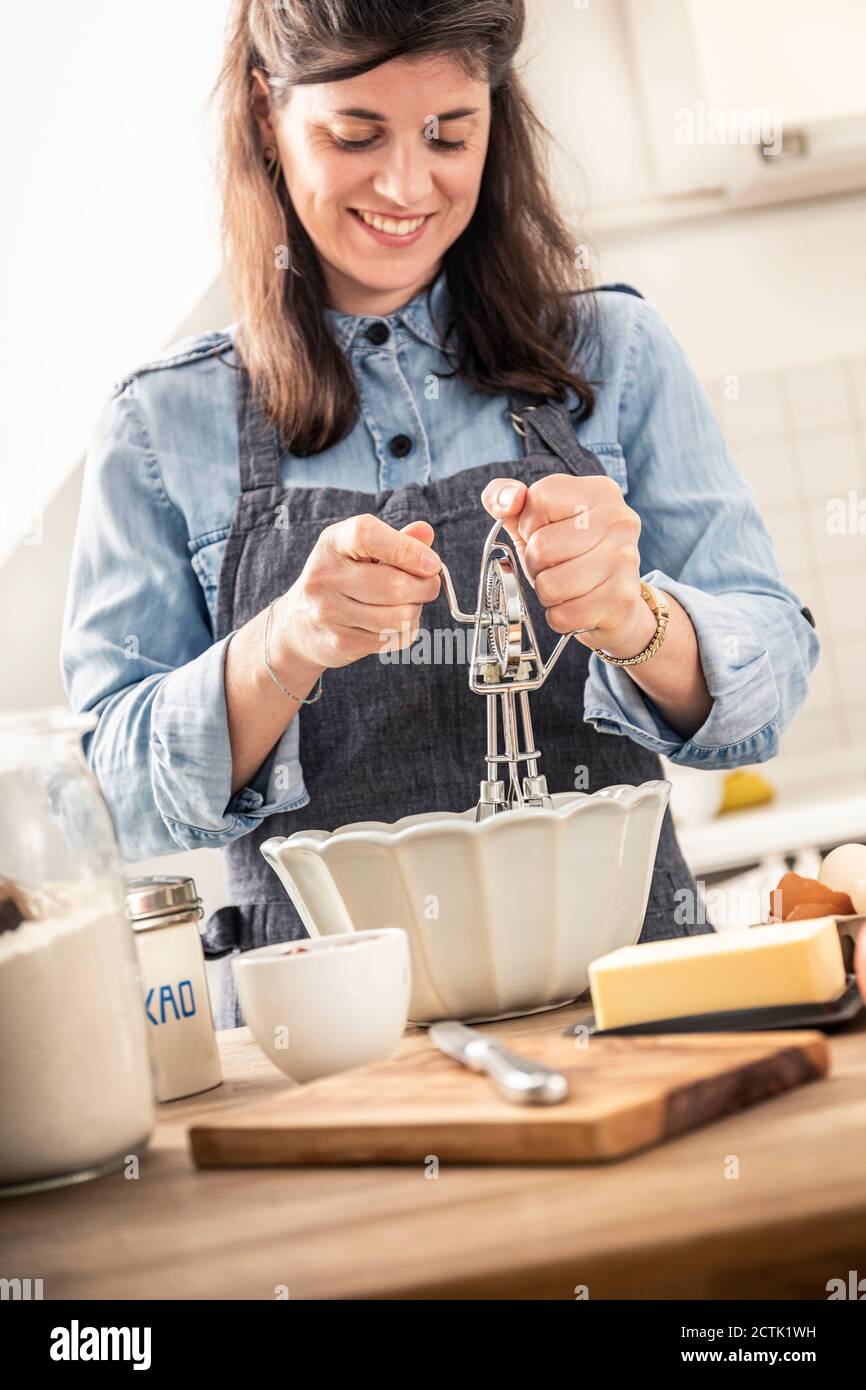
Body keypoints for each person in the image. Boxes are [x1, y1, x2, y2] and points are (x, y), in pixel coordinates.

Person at [61, 0, 819, 1026]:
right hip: (326, 1065)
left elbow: (765, 691)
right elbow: (112, 803)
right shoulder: (159, 427)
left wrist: (634, 623)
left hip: (638, 1019)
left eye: (448, 134)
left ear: (493, 118)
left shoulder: (617, 354)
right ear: (264, 109)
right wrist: (281, 648)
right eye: (355, 134)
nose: (406, 186)